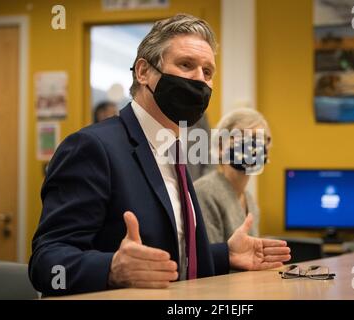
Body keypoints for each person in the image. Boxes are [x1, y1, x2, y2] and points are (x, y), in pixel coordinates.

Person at [29, 14, 290, 296]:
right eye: (186, 65)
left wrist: (225, 254)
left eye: (207, 71)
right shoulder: (92, 147)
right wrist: (111, 268)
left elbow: (168, 256)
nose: (199, 80)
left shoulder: (176, 152)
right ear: (143, 72)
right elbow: (47, 262)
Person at [195, 108, 271, 243]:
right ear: (219, 147)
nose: (250, 145)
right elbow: (208, 257)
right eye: (240, 136)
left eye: (257, 139)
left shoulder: (250, 201)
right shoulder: (204, 192)